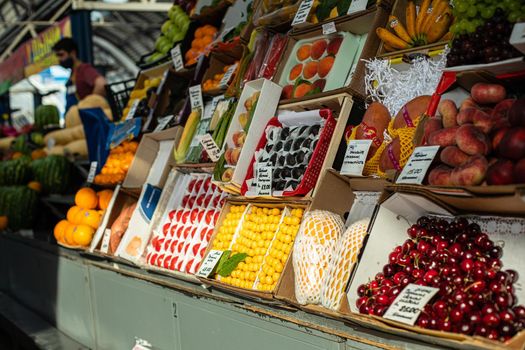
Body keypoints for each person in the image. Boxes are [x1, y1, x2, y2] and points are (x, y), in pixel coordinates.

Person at [52, 37, 107, 111]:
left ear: (73, 53)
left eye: (61, 55)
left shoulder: (84, 69)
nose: (59, 59)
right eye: (57, 56)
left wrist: (90, 106)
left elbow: (101, 84)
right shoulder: (72, 74)